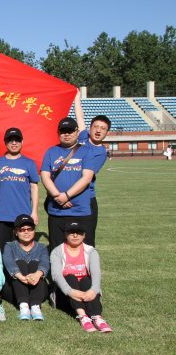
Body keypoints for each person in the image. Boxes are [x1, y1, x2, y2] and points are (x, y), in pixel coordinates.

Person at [41, 117, 95, 250]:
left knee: (83, 250)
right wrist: (57, 196)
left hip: (80, 212)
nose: (66, 134)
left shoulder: (86, 151)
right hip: (57, 211)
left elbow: (87, 178)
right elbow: (45, 176)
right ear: (58, 133)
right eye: (63, 131)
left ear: (77, 132)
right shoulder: (51, 152)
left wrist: (66, 195)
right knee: (56, 250)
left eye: (70, 131)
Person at [50, 221, 112, 333]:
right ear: (66, 234)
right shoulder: (57, 251)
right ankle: (83, 316)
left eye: (78, 233)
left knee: (86, 280)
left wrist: (94, 290)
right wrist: (70, 291)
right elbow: (56, 275)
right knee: (70, 277)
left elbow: (96, 273)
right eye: (71, 232)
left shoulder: (91, 251)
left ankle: (97, 317)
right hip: (65, 295)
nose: (75, 235)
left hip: (86, 292)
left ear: (84, 235)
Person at [0, 127, 39, 252]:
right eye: (10, 140)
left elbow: (34, 187)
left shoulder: (29, 163)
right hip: (1, 215)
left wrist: (34, 211)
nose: (14, 143)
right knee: (1, 251)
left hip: (23, 215)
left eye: (17, 140)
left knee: (22, 251)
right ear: (5, 142)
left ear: (22, 142)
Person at [74, 93, 112, 246]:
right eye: (96, 127)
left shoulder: (101, 152)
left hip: (86, 198)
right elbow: (80, 118)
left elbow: (84, 175)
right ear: (90, 128)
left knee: (87, 238)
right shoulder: (83, 137)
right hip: (69, 196)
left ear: (107, 133)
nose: (98, 130)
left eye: (103, 128)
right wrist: (76, 97)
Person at [2, 214, 49, 320]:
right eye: (22, 230)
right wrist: (22, 278)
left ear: (34, 230)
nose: (26, 232)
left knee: (34, 264)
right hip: (16, 288)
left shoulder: (42, 248)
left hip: (36, 286)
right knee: (20, 263)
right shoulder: (9, 246)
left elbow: (45, 263)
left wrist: (37, 275)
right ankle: (24, 306)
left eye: (29, 229)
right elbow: (9, 263)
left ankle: (35, 306)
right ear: (16, 232)